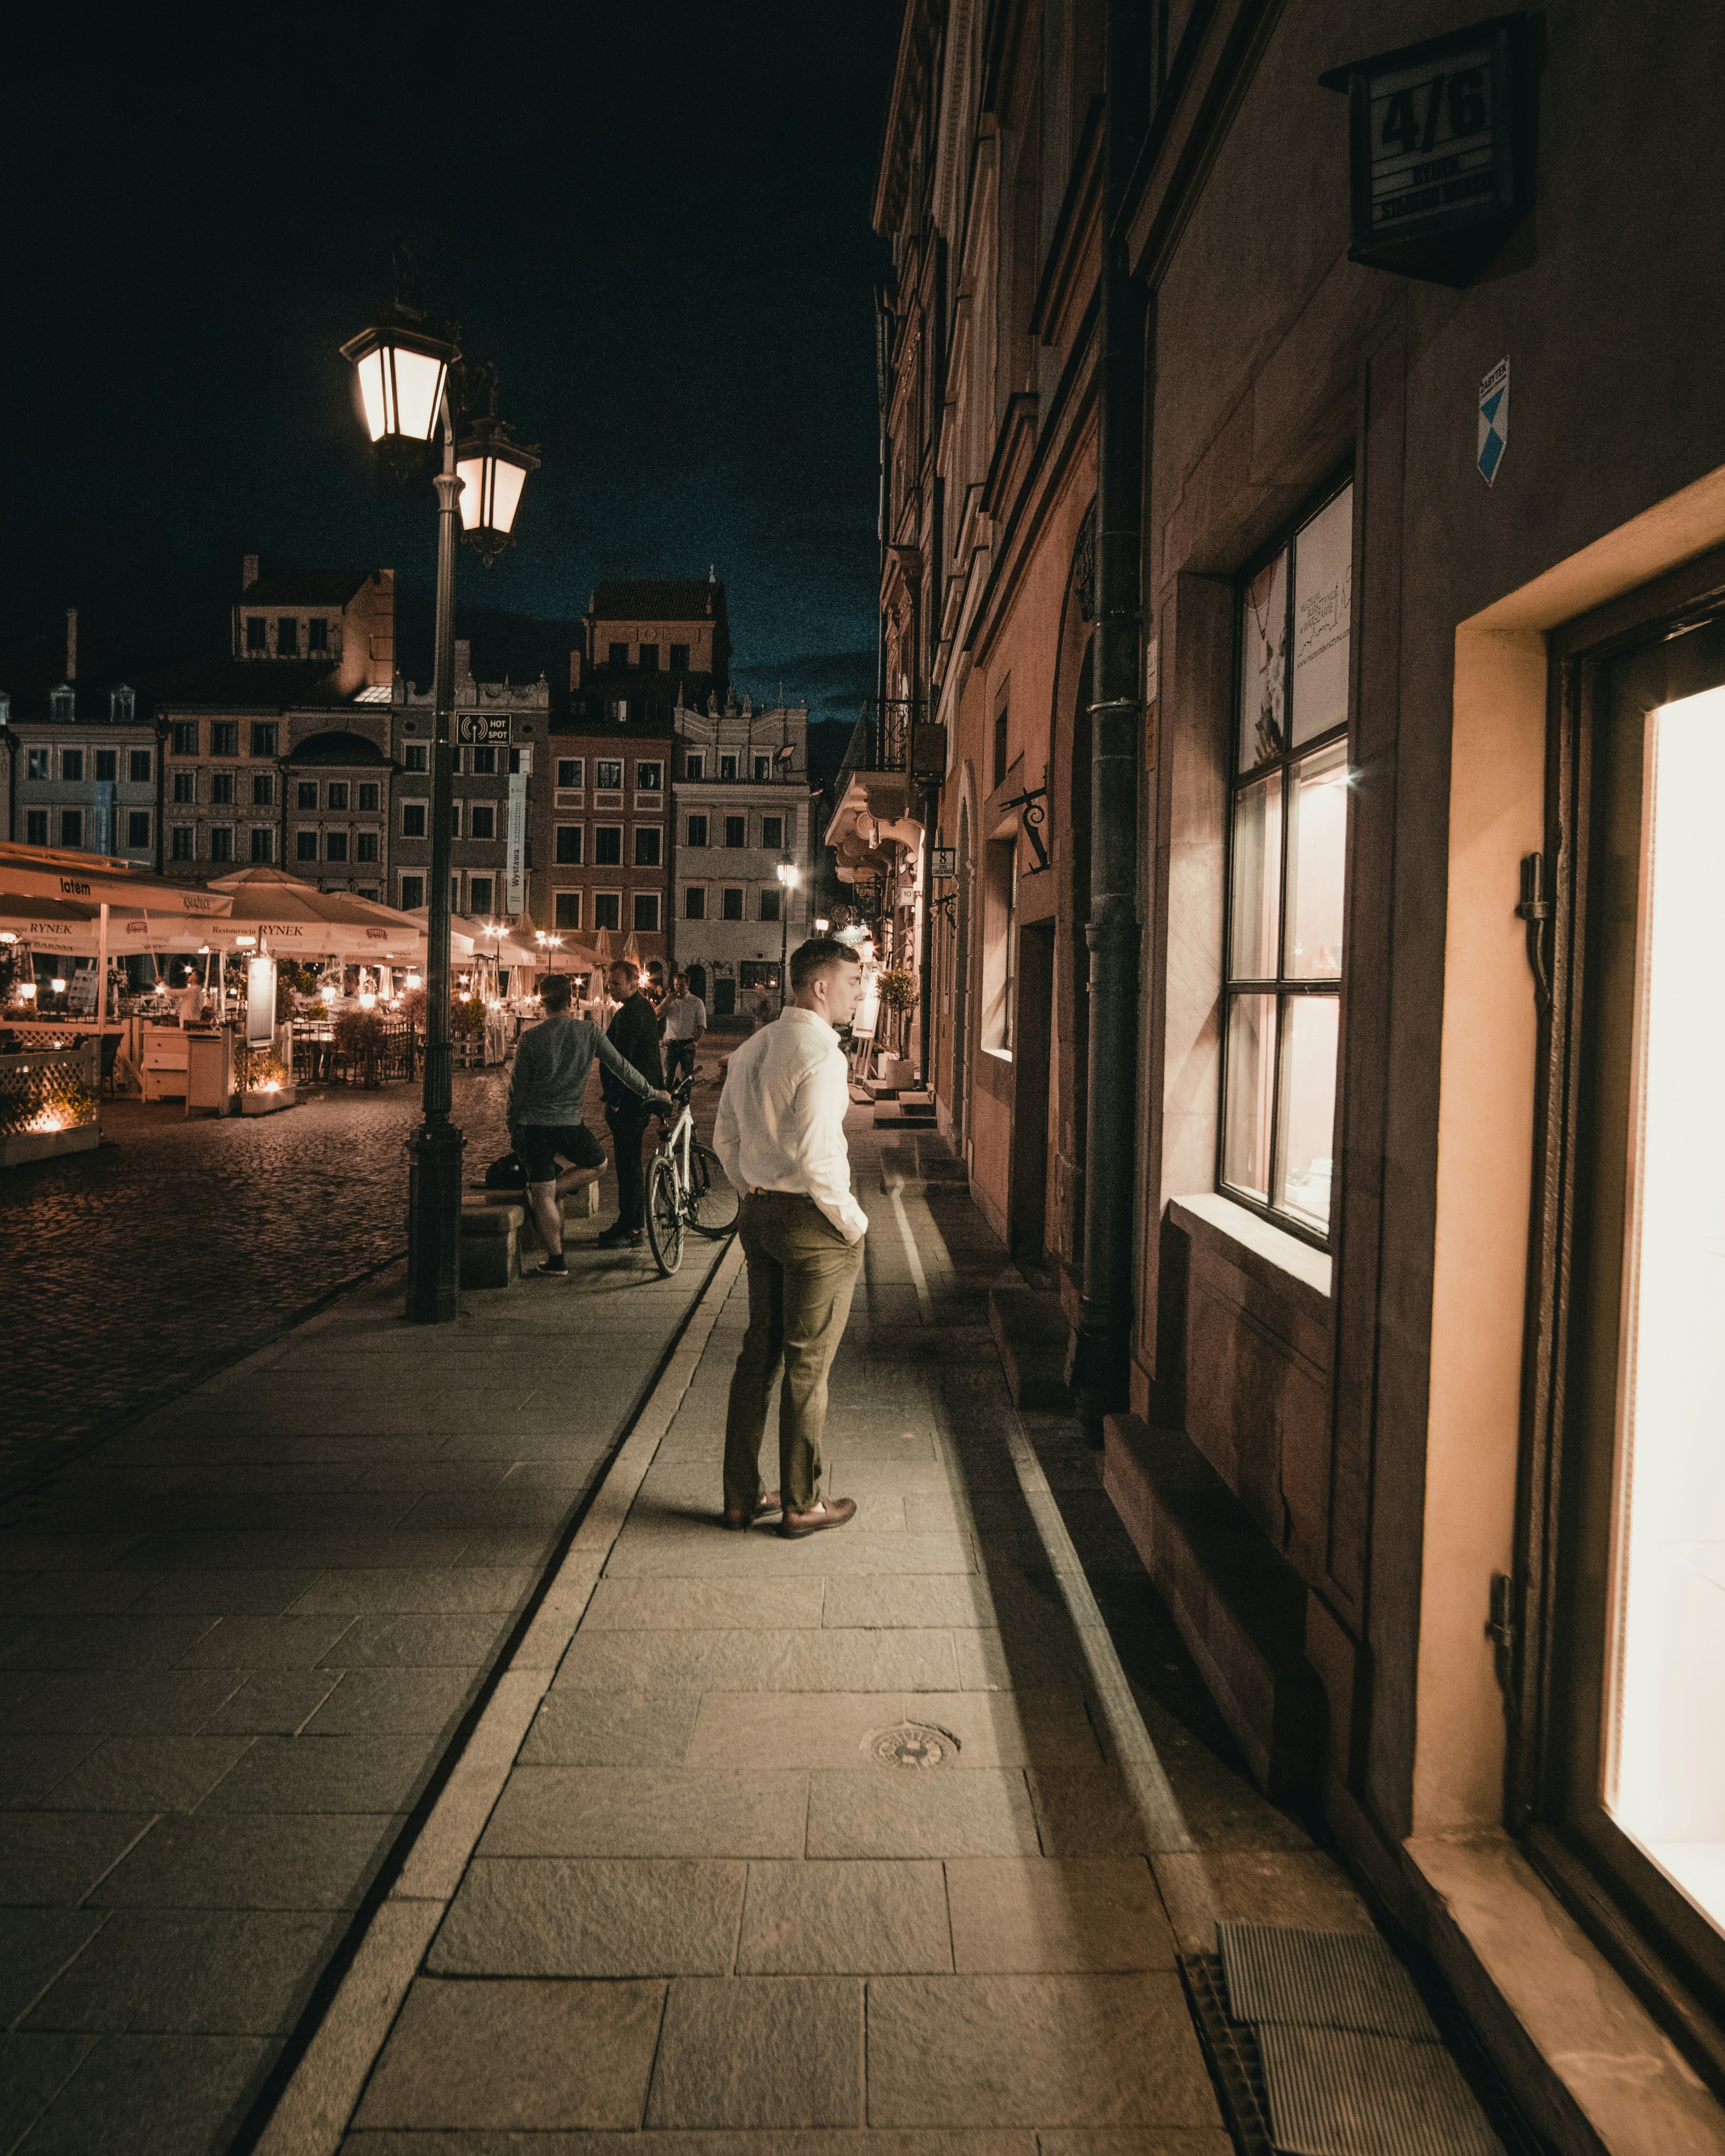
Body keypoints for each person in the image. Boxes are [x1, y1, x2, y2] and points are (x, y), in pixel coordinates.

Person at [714, 936, 867, 1538]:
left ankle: (741, 1495)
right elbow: (819, 1152)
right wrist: (852, 1223)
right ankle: (802, 1501)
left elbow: (725, 1136)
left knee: (760, 1355)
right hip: (812, 1221)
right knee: (808, 1364)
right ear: (820, 985)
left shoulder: (755, 1046)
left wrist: (750, 1188)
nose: (860, 995)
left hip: (759, 1213)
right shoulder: (823, 1055)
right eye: (854, 983)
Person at [508, 971, 670, 1278]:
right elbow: (623, 1068)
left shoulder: (530, 1038)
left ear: (542, 1003)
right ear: (571, 1000)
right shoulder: (589, 1033)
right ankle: (553, 1195)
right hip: (569, 1123)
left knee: (542, 1193)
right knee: (599, 1164)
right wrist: (652, 1092)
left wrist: (512, 1127)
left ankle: (556, 1260)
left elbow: (517, 1090)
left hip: (533, 1126)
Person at [598, 958, 666, 1249]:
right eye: (610, 983)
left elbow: (620, 1063)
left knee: (628, 1165)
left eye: (616, 983)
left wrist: (613, 1101)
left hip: (630, 1101)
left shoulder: (632, 1015)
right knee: (628, 1163)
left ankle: (632, 1225)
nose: (611, 988)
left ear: (633, 983)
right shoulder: (636, 1010)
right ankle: (631, 1221)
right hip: (636, 1099)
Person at [659, 970, 706, 1089]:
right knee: (667, 1077)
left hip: (687, 1044)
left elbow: (702, 1025)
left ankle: (684, 1105)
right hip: (671, 1044)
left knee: (687, 1079)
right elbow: (656, 1015)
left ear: (688, 986)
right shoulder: (670, 1001)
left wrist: (695, 1041)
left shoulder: (696, 1002)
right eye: (676, 985)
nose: (678, 988)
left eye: (681, 985)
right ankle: (667, 1104)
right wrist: (667, 1000)